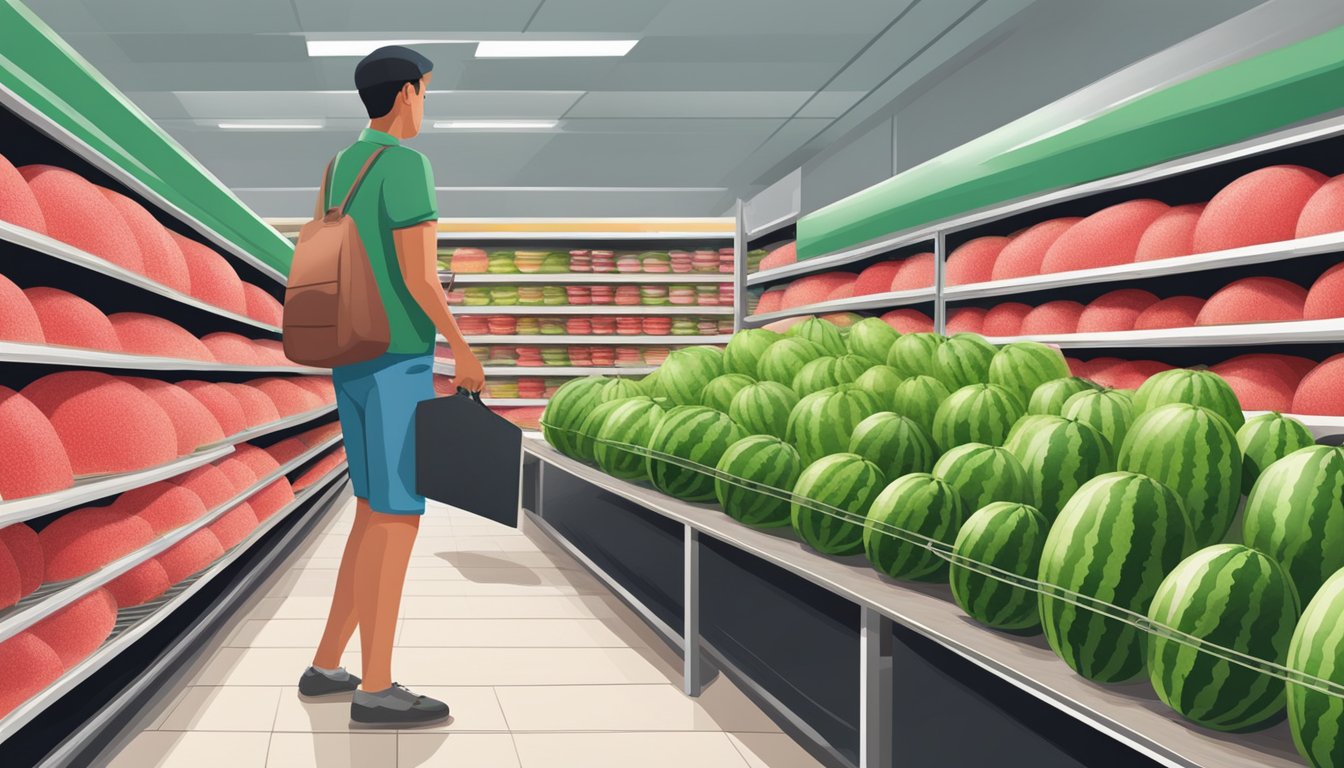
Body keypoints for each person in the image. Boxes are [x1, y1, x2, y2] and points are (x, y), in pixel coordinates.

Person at [294, 45, 484, 728]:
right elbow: (419, 277)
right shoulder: (407, 165)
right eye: (426, 92)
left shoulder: (337, 168)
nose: (425, 104)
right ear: (406, 93)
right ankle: (376, 685)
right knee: (398, 516)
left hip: (349, 356)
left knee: (372, 511)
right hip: (400, 357)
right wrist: (461, 348)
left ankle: (325, 666)